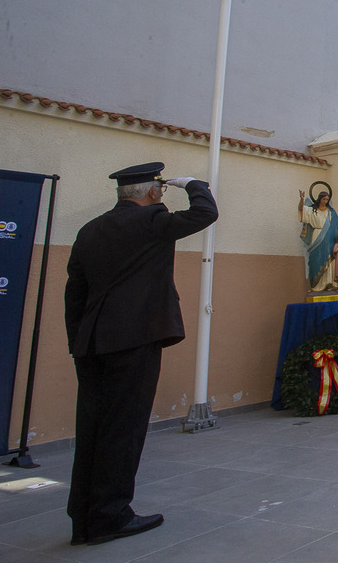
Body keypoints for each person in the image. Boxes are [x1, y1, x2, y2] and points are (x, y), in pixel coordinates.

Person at [64, 162, 218, 546]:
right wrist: (194, 183)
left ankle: (83, 517)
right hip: (134, 341)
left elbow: (75, 295)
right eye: (161, 190)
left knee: (93, 430)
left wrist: (78, 342)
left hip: (92, 344)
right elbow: (206, 212)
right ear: (152, 193)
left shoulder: (90, 230)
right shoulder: (152, 222)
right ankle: (110, 516)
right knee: (123, 430)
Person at [298, 187, 338, 291]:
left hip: (330, 238)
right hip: (317, 236)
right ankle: (316, 286)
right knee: (316, 259)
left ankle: (331, 283)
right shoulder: (312, 210)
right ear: (319, 199)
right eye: (324, 199)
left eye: (327, 199)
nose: (325, 201)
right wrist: (302, 199)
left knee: (330, 260)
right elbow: (301, 209)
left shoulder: (331, 211)